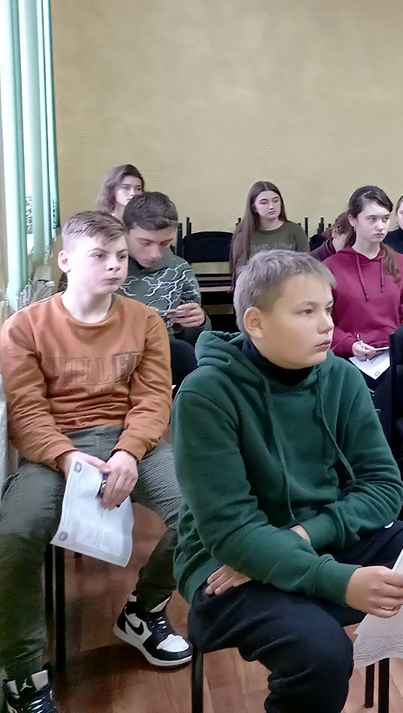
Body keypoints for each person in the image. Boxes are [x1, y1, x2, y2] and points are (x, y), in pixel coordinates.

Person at [172, 250, 403, 713]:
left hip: (324, 535)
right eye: (306, 312)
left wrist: (302, 536)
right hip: (226, 566)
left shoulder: (340, 377)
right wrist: (338, 581)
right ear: (256, 322)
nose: (327, 324)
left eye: (328, 309)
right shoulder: (206, 393)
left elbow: (385, 488)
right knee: (321, 655)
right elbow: (231, 532)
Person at [0, 212, 192, 713]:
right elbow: (26, 413)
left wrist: (129, 451)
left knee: (199, 511)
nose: (114, 266)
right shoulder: (24, 327)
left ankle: (143, 611)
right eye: (99, 256)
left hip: (130, 441)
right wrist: (66, 458)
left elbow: (152, 399)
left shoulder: (145, 321)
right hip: (55, 449)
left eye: (121, 256)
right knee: (14, 533)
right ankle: (23, 672)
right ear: (65, 261)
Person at [323, 186, 403, 429]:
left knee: (395, 383)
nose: (380, 226)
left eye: (385, 219)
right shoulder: (331, 267)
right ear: (353, 220)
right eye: (372, 219)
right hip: (348, 356)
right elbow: (323, 322)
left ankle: (392, 451)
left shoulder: (400, 263)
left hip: (390, 357)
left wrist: (396, 345)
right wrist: (350, 344)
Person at [121, 191, 211, 345]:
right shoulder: (105, 269)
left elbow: (192, 341)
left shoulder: (180, 270)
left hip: (165, 349)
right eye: (145, 243)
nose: (155, 254)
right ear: (124, 231)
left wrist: (199, 322)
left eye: (165, 243)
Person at [229, 181, 310, 280]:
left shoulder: (295, 230)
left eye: (275, 201)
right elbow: (241, 275)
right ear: (254, 207)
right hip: (256, 286)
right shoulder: (243, 235)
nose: (271, 206)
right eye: (264, 202)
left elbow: (306, 268)